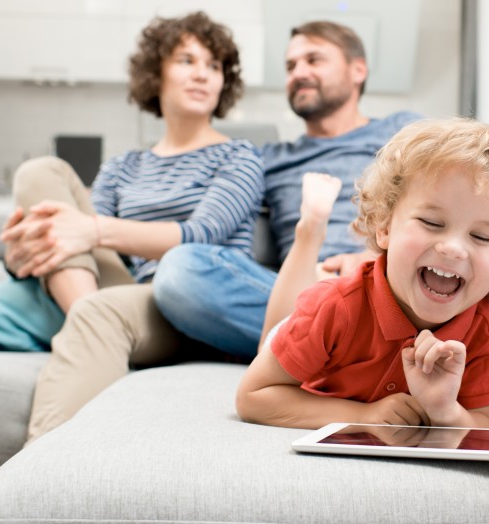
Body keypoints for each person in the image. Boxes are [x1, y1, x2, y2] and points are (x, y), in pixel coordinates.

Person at [0, 11, 265, 441]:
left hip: (188, 303)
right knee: (41, 171)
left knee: (103, 306)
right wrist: (23, 249)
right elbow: (77, 239)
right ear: (156, 73)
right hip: (122, 290)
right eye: (186, 61)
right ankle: (88, 319)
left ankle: (42, 471)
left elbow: (197, 236)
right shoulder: (123, 166)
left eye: (214, 66)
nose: (203, 75)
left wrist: (92, 231)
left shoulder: (240, 157)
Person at [236, 118, 489, 429]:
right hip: (318, 308)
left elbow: (483, 422)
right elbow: (253, 396)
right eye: (432, 223)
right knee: (274, 335)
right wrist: (364, 417)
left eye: (482, 237)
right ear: (384, 226)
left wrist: (445, 411)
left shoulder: (483, 324)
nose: (454, 249)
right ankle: (311, 229)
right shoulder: (334, 306)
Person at [152, 20, 420, 357]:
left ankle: (317, 347)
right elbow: (201, 203)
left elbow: (440, 204)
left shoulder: (401, 130)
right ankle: (342, 350)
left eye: (314, 60)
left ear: (358, 70)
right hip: (302, 292)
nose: (298, 72)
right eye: (291, 66)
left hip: (383, 284)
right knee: (181, 272)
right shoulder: (267, 159)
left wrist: (373, 257)